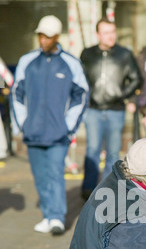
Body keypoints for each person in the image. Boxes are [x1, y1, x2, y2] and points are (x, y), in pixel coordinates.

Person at [10, 15, 89, 235]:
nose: (43, 40)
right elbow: (16, 93)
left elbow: (81, 95)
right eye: (40, 35)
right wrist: (23, 124)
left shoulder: (70, 63)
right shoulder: (27, 61)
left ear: (56, 37)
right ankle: (47, 214)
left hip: (58, 133)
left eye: (47, 36)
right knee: (40, 176)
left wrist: (69, 126)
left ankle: (56, 217)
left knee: (55, 173)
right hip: (33, 131)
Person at [80, 18, 142, 200]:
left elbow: (137, 78)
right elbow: (79, 78)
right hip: (93, 109)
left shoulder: (124, 54)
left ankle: (108, 191)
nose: (110, 36)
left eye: (113, 32)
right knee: (92, 150)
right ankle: (88, 190)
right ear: (98, 34)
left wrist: (122, 95)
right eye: (106, 32)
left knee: (113, 152)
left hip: (116, 110)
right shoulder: (87, 54)